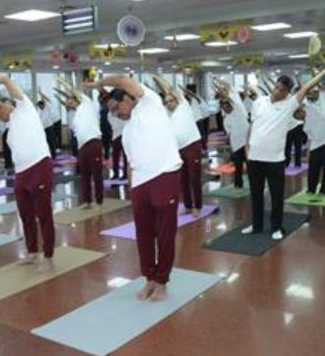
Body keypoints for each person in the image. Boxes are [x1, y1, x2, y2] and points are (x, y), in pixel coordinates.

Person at [90, 74, 181, 302]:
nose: (116, 113)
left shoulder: (150, 103)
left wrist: (99, 84)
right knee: (143, 235)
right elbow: (131, 164)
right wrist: (132, 190)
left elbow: (122, 78)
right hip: (141, 183)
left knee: (165, 233)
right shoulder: (127, 131)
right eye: (111, 111)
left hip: (165, 174)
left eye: (116, 106)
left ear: (129, 98)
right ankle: (149, 278)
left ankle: (162, 281)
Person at [243, 59, 325, 240]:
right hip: (255, 157)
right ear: (274, 86)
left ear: (288, 94)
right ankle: (256, 225)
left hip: (274, 159)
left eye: (283, 91)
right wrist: (247, 147)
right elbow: (252, 125)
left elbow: (307, 86)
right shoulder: (259, 102)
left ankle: (276, 227)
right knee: (255, 194)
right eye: (277, 88)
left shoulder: (288, 105)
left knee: (276, 196)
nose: (278, 92)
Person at [0, 74, 53, 271]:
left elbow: (6, 80)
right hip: (21, 173)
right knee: (25, 215)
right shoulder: (9, 127)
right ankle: (32, 253)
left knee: (44, 214)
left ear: (10, 102)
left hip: (39, 165)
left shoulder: (25, 108)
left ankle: (48, 257)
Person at [154, 75, 203, 218]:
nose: (169, 103)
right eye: (167, 102)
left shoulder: (184, 106)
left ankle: (198, 206)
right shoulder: (168, 114)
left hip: (192, 145)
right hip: (179, 150)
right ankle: (188, 205)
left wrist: (157, 78)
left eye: (171, 100)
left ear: (176, 99)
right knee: (183, 179)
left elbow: (169, 88)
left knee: (195, 178)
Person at [57, 78, 104, 209]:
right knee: (85, 175)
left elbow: (75, 91)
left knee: (96, 174)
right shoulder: (76, 113)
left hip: (93, 143)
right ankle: (87, 201)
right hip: (82, 146)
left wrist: (63, 83)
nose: (68, 102)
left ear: (76, 99)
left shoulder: (87, 104)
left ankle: (99, 201)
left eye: (70, 100)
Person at [294, 97, 325, 196]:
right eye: (296, 118)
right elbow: (310, 139)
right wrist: (308, 151)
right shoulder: (305, 124)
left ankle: (324, 190)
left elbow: (302, 101)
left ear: (300, 110)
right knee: (313, 167)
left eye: (297, 115)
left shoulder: (312, 110)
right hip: (316, 144)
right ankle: (311, 189)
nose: (298, 118)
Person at [214, 79, 250, 189]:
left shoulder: (239, 110)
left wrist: (220, 85)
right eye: (223, 108)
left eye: (227, 106)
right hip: (236, 145)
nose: (226, 109)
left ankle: (256, 183)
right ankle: (238, 185)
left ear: (231, 105)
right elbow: (229, 134)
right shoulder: (226, 120)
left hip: (247, 143)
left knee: (251, 165)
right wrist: (231, 148)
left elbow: (230, 94)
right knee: (238, 166)